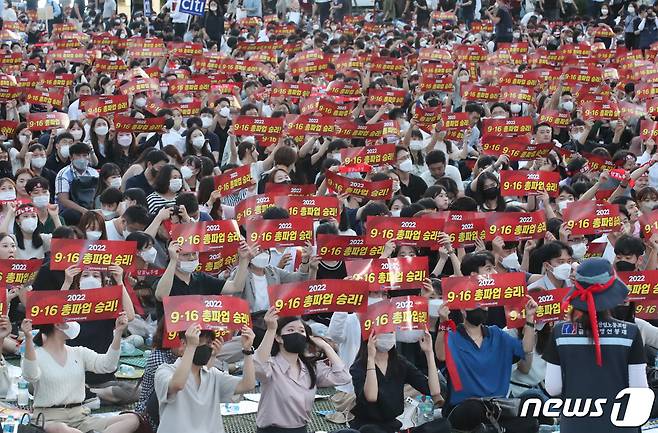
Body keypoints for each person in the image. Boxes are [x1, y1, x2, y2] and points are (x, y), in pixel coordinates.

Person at [544, 258, 649, 433]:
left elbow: (553, 388)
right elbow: (639, 389)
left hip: (575, 425)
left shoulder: (560, 332)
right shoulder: (630, 332)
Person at [21, 314, 139, 433]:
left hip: (80, 417)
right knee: (62, 430)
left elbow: (107, 365)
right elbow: (30, 375)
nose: (75, 324)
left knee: (132, 419)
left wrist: (118, 333)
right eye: (69, 320)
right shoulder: (36, 355)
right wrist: (28, 338)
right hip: (49, 419)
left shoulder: (79, 352)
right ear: (57, 325)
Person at [254, 308, 351, 433]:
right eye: (290, 330)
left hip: (300, 429)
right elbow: (258, 366)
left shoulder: (311, 368)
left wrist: (325, 346)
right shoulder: (272, 365)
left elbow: (343, 377)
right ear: (279, 338)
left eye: (301, 331)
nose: (297, 334)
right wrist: (271, 330)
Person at [154, 324, 257, 433]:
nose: (206, 347)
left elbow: (247, 384)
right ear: (183, 344)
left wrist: (247, 351)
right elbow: (177, 385)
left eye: (209, 343)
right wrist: (191, 347)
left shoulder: (213, 375)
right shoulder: (165, 371)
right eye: (199, 342)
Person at [349, 327, 447, 433]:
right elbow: (371, 397)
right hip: (367, 427)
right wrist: (371, 359)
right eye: (383, 332)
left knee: (443, 425)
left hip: (392, 426)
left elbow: (434, 391)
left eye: (390, 332)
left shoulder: (400, 363)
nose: (388, 335)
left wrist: (429, 352)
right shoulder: (358, 367)